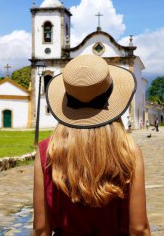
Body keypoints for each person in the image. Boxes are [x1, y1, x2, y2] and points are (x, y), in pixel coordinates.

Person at [33, 55, 151, 236]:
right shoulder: (128, 149)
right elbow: (138, 229)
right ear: (111, 97)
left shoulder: (47, 151)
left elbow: (41, 229)